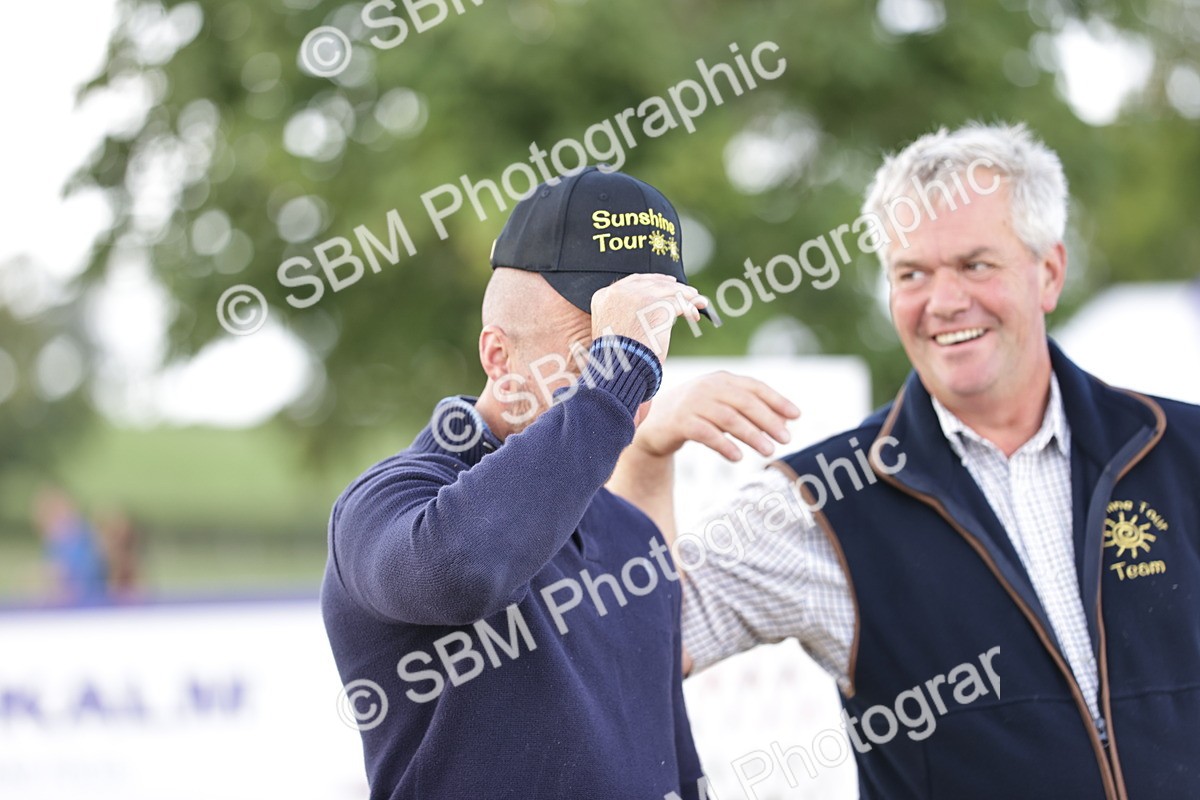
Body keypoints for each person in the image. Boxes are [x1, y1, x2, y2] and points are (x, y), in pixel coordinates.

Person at [612, 124, 1200, 799]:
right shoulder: (823, 503)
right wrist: (647, 451)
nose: (944, 302)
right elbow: (631, 648)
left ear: (1050, 272)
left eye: (976, 264)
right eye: (911, 273)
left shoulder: (1182, 452)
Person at [320, 166, 798, 799]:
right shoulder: (386, 504)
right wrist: (617, 377)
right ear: (498, 357)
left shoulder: (629, 533)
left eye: (651, 345)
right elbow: (459, 573)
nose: (638, 381)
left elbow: (673, 767)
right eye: (597, 348)